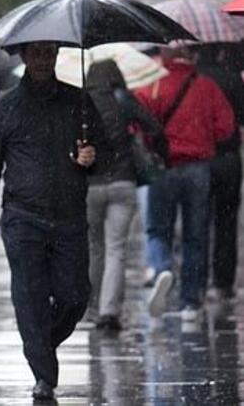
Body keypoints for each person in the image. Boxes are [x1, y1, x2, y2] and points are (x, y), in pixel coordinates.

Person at [0, 42, 105, 401]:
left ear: (57, 54)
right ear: (24, 56)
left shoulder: (79, 102)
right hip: (23, 218)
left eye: (49, 52)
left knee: (75, 296)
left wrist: (91, 156)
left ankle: (40, 342)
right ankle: (44, 376)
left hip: (70, 216)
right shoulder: (4, 108)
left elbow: (105, 154)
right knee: (30, 297)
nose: (43, 59)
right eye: (37, 53)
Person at [135, 46, 234, 321]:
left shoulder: (152, 84)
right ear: (190, 57)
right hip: (198, 169)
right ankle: (191, 303)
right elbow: (225, 127)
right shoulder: (206, 86)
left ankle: (162, 267)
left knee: (157, 229)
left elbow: (136, 124)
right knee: (196, 235)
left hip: (162, 168)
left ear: (165, 57)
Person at [85, 60, 167, 332]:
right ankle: (110, 312)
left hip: (90, 185)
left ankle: (95, 307)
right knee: (116, 249)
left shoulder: (79, 103)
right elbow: (154, 128)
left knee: (95, 248)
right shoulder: (124, 99)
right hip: (123, 181)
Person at [194, 45, 244, 300]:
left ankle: (197, 282)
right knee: (226, 222)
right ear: (220, 52)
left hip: (198, 160)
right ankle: (222, 283)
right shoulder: (232, 79)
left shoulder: (193, 80)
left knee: (197, 223)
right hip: (228, 160)